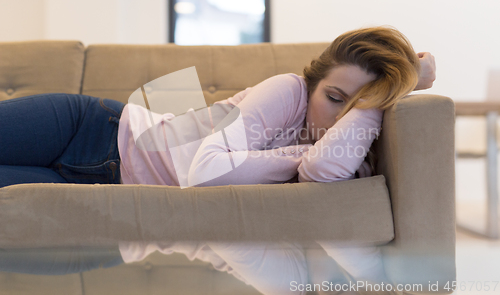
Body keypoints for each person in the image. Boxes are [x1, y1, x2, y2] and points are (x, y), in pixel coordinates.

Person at [0, 26, 436, 294]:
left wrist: (374, 104)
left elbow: (325, 176)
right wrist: (304, 154)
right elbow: (206, 173)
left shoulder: (343, 171)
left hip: (111, 224)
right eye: (334, 97)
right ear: (314, 83)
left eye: (358, 108)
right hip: (97, 131)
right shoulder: (290, 93)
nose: (338, 116)